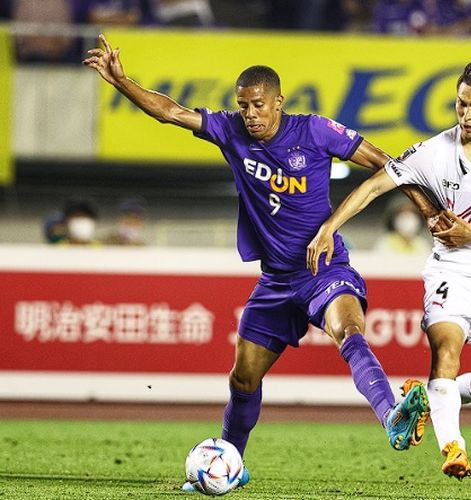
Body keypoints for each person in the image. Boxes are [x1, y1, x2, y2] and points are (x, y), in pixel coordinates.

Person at [83, 34, 439, 491]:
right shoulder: (230, 130)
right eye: (243, 105)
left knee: (348, 331)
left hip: (324, 268)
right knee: (243, 378)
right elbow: (171, 111)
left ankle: (391, 415)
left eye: (257, 105)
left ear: (278, 103)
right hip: (274, 282)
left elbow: (386, 164)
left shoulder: (314, 131)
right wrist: (122, 82)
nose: (249, 114)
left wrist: (426, 209)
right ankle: (229, 466)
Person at [307, 59, 471, 480]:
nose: (467, 115)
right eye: (461, 104)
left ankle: (431, 397)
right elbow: (373, 185)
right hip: (450, 271)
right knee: (446, 351)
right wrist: (329, 227)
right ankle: (454, 448)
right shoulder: (433, 151)